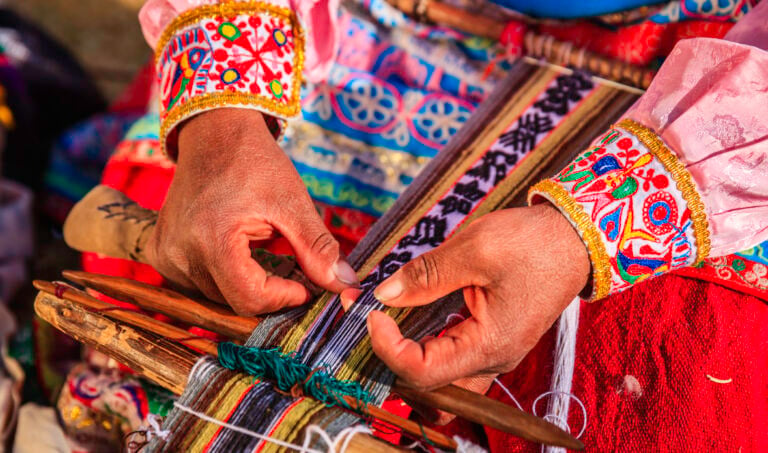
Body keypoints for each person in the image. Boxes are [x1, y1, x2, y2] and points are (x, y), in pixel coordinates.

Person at [59, 0, 768, 450]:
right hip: (399, 22)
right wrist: (222, 123)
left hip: (708, 78)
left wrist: (586, 231)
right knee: (183, 220)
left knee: (676, 388)